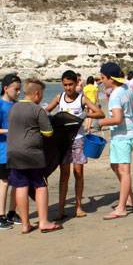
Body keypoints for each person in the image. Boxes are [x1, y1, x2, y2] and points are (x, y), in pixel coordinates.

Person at [94, 62, 133, 220]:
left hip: (123, 136)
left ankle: (121, 208)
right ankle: (131, 199)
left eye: (102, 78)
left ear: (110, 79)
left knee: (124, 170)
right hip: (130, 133)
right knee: (115, 166)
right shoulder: (127, 87)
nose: (101, 81)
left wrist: (98, 123)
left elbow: (117, 118)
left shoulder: (115, 95)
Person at [45, 71, 104, 219]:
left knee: (78, 173)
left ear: (76, 83)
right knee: (64, 175)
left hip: (78, 140)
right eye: (65, 85)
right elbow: (46, 111)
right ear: (62, 84)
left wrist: (86, 115)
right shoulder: (59, 98)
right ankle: (61, 209)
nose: (68, 88)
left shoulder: (82, 99)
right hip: (63, 141)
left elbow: (100, 113)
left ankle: (78, 207)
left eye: (70, 84)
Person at [7, 78, 62, 233]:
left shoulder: (13, 108)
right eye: (42, 94)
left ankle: (25, 224)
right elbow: (48, 132)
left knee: (20, 186)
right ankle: (43, 222)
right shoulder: (37, 110)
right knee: (40, 185)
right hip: (32, 153)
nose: (42, 97)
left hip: (13, 152)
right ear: (37, 93)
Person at [0, 73, 22, 229]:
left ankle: (12, 212)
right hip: (2, 152)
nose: (18, 92)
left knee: (16, 181)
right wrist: (11, 130)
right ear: (6, 88)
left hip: (16, 150)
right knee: (5, 182)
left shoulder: (17, 105)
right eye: (16, 89)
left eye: (19, 89)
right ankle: (1, 217)